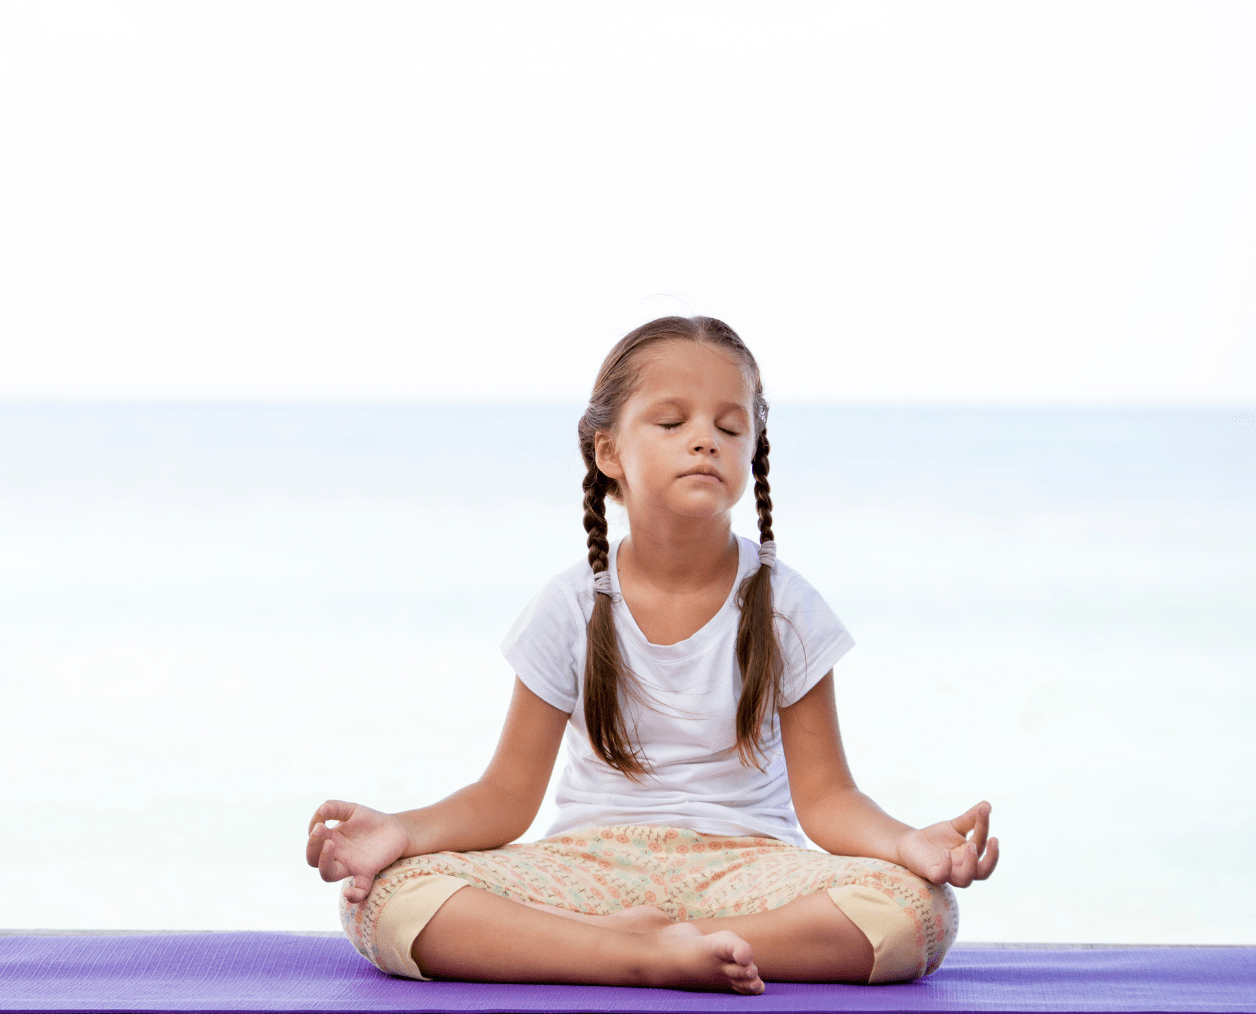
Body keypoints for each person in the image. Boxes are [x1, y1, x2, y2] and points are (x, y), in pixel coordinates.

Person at [303, 316, 999, 994]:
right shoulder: (572, 605)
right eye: (673, 423)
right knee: (385, 899)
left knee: (917, 912)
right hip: (588, 866)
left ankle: (665, 941)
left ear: (751, 452)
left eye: (729, 427)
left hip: (747, 872)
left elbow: (828, 799)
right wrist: (401, 831)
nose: (705, 440)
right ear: (609, 452)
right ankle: (630, 953)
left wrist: (909, 845)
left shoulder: (786, 603)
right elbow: (506, 798)